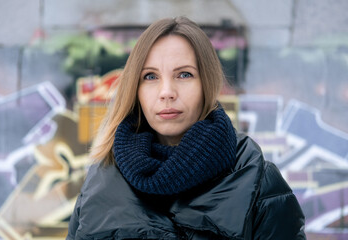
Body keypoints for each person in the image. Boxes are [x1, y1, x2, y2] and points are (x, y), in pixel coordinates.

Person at [67, 16, 306, 240]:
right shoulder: (102, 179)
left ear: (207, 83)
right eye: (150, 77)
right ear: (135, 89)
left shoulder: (256, 180)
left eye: (184, 74)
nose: (167, 92)